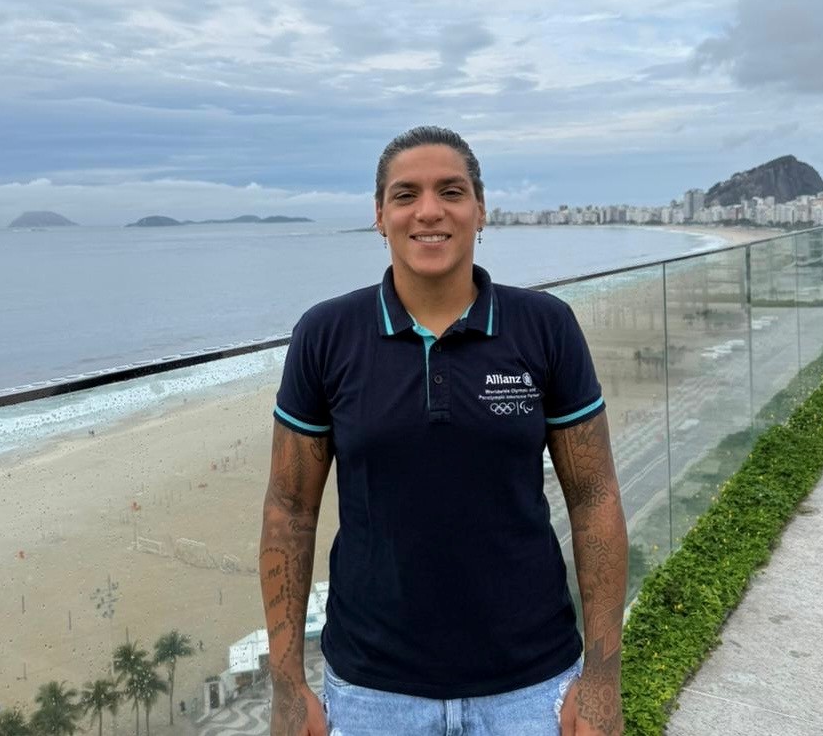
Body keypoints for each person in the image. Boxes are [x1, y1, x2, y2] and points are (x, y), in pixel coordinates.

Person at [260, 126, 627, 736]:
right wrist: (287, 683)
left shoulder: (545, 327)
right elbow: (289, 509)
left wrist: (603, 680)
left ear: (480, 210)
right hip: (373, 691)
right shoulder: (326, 335)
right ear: (380, 215)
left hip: (532, 685)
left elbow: (594, 499)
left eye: (451, 191)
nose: (429, 211)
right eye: (406, 195)